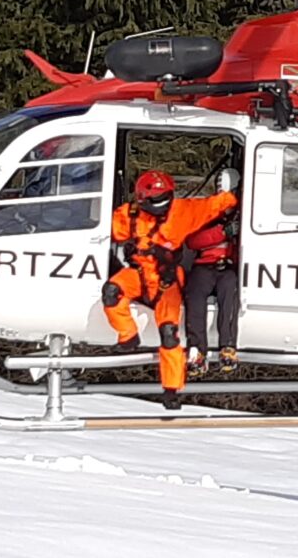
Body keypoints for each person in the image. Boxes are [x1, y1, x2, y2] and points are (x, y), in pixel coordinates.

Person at [102, 170, 237, 399]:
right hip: (138, 275)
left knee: (168, 332)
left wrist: (235, 197)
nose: (161, 205)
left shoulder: (183, 211)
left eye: (164, 198)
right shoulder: (129, 215)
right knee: (112, 292)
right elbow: (102, 228)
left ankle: (172, 388)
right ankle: (128, 336)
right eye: (156, 200)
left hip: (167, 281)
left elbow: (211, 205)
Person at [182, 168, 242, 375]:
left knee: (231, 293)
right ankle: (197, 348)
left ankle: (228, 345)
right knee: (194, 294)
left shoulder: (245, 215)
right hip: (204, 265)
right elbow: (192, 241)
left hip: (229, 267)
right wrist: (223, 232)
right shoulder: (207, 213)